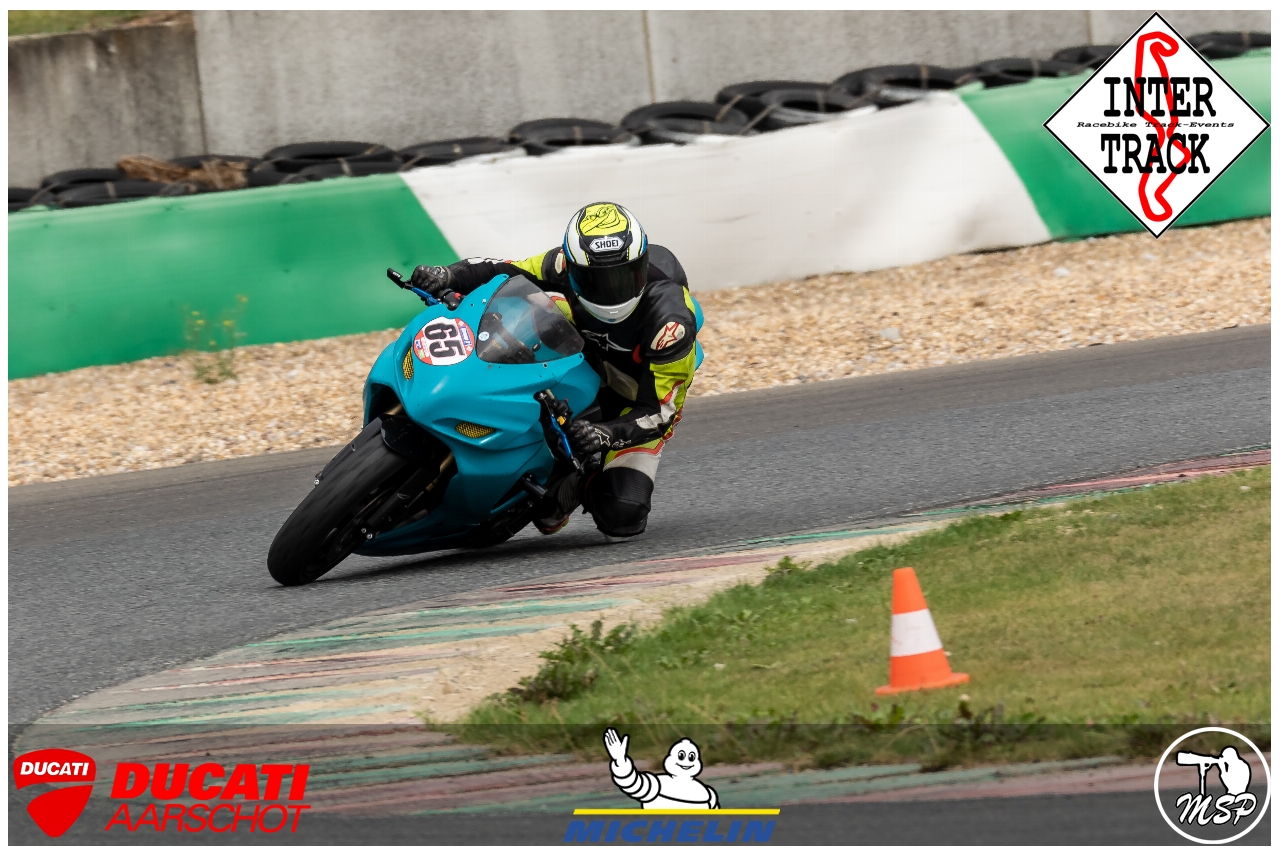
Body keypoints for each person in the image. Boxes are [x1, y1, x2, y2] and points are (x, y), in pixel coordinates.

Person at [409, 202, 698, 540]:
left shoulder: (671, 324)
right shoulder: (561, 264)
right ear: (572, 267)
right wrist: (448, 274)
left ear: (642, 265)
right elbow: (506, 269)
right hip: (584, 356)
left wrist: (603, 434)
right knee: (529, 302)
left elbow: (660, 412)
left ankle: (577, 481)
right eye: (596, 279)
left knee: (622, 512)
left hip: (634, 399)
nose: (611, 291)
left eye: (623, 276)